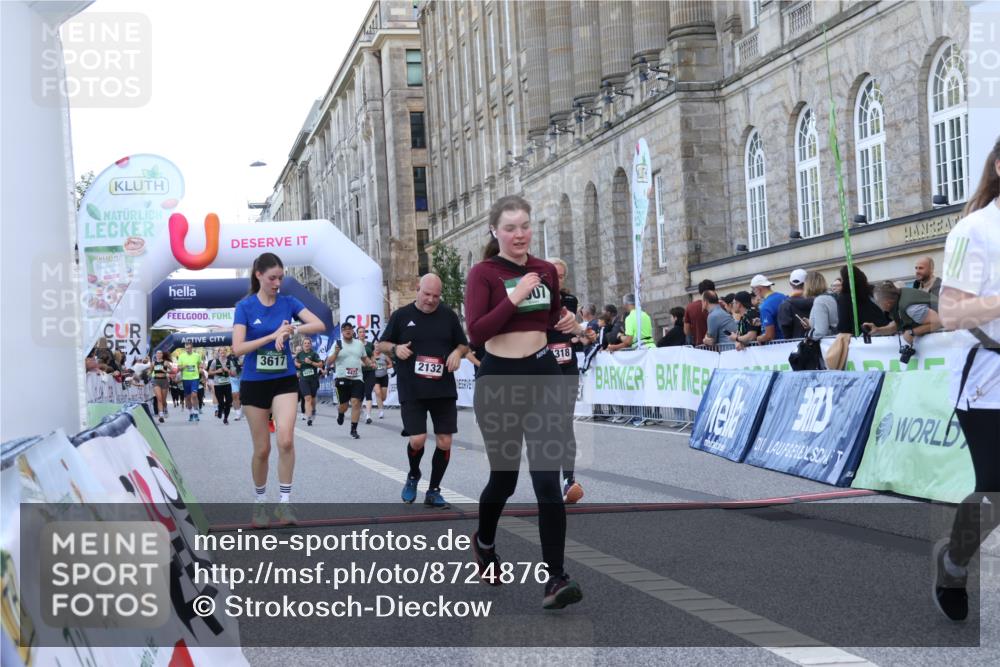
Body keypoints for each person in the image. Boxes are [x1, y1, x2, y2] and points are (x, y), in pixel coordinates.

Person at [464, 195, 583, 610]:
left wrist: (568, 323)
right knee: (505, 479)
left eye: (525, 226)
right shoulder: (484, 274)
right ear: (494, 231)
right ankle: (485, 542)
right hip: (498, 380)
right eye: (510, 227)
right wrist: (514, 297)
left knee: (546, 482)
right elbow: (477, 333)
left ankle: (556, 579)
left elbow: (549, 320)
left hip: (543, 375)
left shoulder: (545, 270)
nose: (519, 234)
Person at [933, 136, 1000, 622]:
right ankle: (954, 562)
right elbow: (950, 311)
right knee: (996, 488)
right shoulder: (976, 231)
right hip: (988, 377)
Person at [231, 252, 325, 528]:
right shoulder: (245, 307)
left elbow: (320, 324)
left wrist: (292, 330)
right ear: (258, 275)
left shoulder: (288, 303)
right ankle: (260, 504)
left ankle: (284, 505)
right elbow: (238, 348)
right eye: (272, 278)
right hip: (254, 381)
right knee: (262, 450)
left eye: (281, 278)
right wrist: (272, 336)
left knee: (285, 440)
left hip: (283, 380)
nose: (277, 283)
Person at [378, 274, 469, 508]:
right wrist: (396, 348)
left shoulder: (448, 316)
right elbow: (381, 344)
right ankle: (413, 474)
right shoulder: (401, 316)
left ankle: (434, 490)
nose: (430, 300)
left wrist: (457, 353)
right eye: (427, 294)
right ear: (417, 289)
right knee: (417, 440)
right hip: (412, 389)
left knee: (445, 442)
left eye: (436, 296)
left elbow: (463, 343)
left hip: (442, 388)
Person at [546, 257, 584, 504]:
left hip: (567, 366)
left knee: (565, 423)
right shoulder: (535, 299)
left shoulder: (569, 301)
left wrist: (581, 332)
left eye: (560, 276)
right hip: (544, 367)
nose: (556, 280)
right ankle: (548, 478)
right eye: (552, 275)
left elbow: (573, 329)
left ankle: (568, 479)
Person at [325, 321, 370, 440]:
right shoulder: (337, 343)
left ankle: (353, 429)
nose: (348, 331)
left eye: (350, 328)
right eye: (345, 329)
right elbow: (329, 362)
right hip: (342, 378)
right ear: (342, 332)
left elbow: (365, 358)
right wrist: (336, 351)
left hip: (357, 378)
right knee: (344, 406)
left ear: (353, 331)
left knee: (356, 403)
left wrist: (371, 364)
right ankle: (341, 413)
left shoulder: (359, 344)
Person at [867, 282, 943, 346]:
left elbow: (938, 322)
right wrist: (878, 330)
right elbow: (896, 325)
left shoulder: (911, 309)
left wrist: (912, 332)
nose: (877, 305)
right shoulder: (898, 299)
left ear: (887, 303)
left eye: (878, 302)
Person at [835, 265, 889, 335]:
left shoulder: (844, 297)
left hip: (863, 336)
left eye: (842, 279)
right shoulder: (871, 291)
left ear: (846, 280)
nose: (841, 282)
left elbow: (844, 325)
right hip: (884, 331)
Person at [777, 268, 814, 339]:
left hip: (795, 345)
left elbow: (785, 327)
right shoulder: (816, 301)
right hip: (816, 342)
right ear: (806, 283)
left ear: (790, 284)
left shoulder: (785, 304)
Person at [750, 274, 787, 343]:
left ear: (759, 289)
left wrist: (758, 338)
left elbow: (769, 336)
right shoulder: (783, 297)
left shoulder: (765, 306)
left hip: (779, 346)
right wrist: (762, 321)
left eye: (753, 290)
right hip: (790, 342)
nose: (754, 293)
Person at [295, 337, 323, 426]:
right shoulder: (300, 354)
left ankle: (313, 410)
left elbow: (320, 364)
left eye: (308, 343)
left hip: (313, 379)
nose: (307, 345)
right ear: (303, 345)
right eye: (305, 343)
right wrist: (298, 365)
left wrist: (311, 362)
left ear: (311, 345)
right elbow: (296, 363)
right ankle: (309, 417)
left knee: (313, 398)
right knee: (307, 398)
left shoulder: (314, 354)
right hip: (303, 379)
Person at [176, 340, 203, 422]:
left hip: (195, 378)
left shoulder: (197, 355)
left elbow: (200, 364)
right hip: (185, 379)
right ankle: (191, 413)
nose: (187, 349)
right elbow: (178, 368)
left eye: (189, 348)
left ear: (192, 347)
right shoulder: (181, 356)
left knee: (194, 395)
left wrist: (200, 369)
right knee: (187, 398)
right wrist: (184, 366)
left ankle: (196, 413)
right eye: (186, 348)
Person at [805, 271, 838, 339]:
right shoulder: (831, 296)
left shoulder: (820, 301)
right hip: (836, 340)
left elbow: (820, 332)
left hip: (829, 345)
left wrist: (809, 336)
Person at [357, 325, 379, 424]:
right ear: (357, 334)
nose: (362, 333)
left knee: (368, 392)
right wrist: (359, 363)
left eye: (363, 331)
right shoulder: (354, 344)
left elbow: (373, 356)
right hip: (359, 372)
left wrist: (374, 363)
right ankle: (360, 409)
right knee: (359, 394)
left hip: (370, 371)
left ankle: (368, 416)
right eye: (360, 332)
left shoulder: (370, 345)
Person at [207, 348, 234, 424]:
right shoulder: (214, 362)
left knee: (229, 401)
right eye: (221, 351)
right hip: (218, 385)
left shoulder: (229, 362)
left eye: (224, 351)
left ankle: (225, 418)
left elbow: (234, 374)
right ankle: (220, 409)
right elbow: (209, 372)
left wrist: (227, 370)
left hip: (227, 384)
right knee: (221, 402)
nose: (222, 352)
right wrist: (217, 371)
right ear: (219, 353)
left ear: (226, 352)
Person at [684, 279, 714, 345]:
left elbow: (686, 330)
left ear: (700, 292)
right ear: (713, 291)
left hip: (698, 347)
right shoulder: (720, 306)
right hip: (717, 347)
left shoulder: (690, 307)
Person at [150, 350, 172, 423]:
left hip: (164, 381)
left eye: (160, 353)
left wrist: (165, 371)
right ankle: (161, 415)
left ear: (162, 355)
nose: (159, 354)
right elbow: (150, 372)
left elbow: (172, 371)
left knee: (163, 400)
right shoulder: (153, 363)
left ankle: (165, 407)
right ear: (156, 355)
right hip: (156, 381)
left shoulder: (165, 362)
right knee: (159, 398)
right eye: (157, 353)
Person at [228, 350, 243, 421]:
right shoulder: (228, 358)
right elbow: (224, 366)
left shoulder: (244, 355)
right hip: (233, 378)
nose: (233, 350)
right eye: (231, 349)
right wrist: (229, 371)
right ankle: (237, 413)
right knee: (235, 394)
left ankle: (242, 410)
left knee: (242, 395)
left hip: (243, 377)